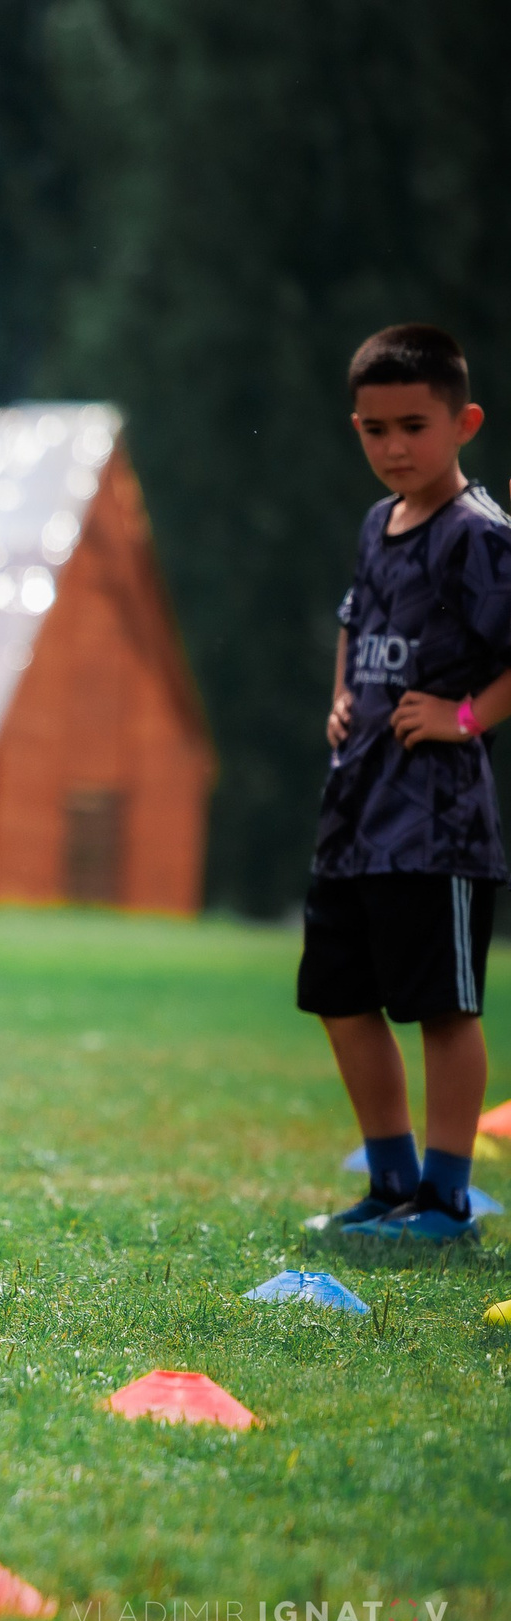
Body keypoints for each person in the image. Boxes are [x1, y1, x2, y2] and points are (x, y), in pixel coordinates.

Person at [304, 324, 509, 1246]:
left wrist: (466, 719)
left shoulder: (481, 538)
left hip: (440, 826)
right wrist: (344, 696)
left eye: (414, 426)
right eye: (375, 429)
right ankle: (389, 1183)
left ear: (462, 422)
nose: (394, 447)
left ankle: (447, 1199)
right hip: (356, 816)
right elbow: (355, 620)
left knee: (441, 1008)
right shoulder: (370, 525)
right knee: (341, 997)